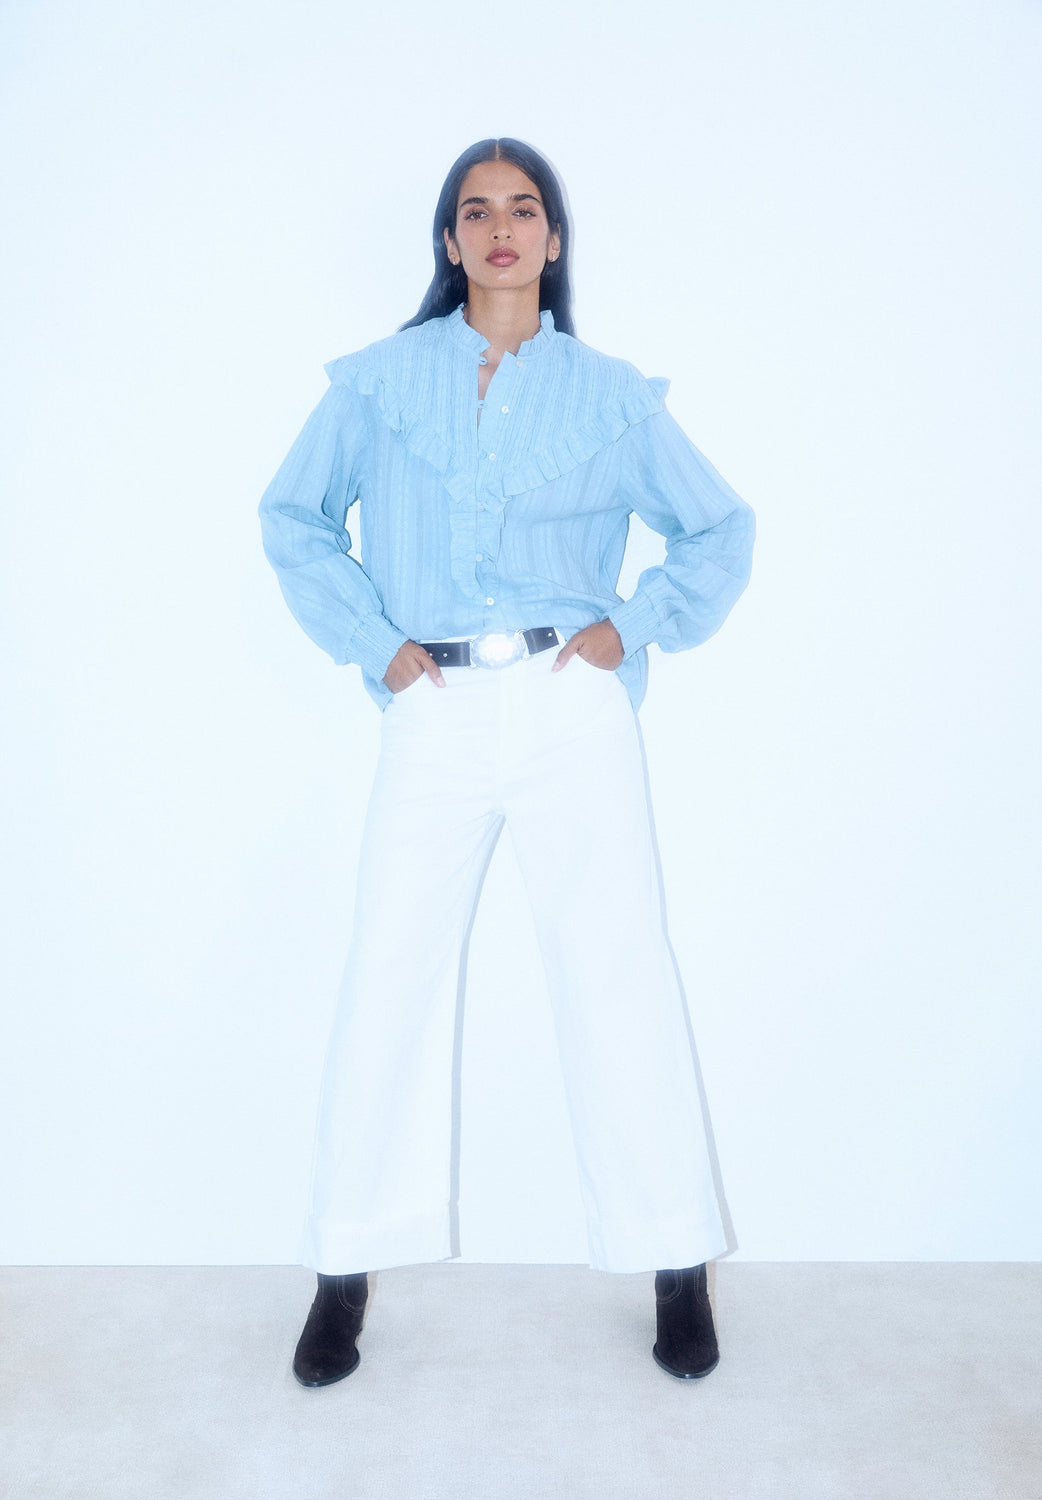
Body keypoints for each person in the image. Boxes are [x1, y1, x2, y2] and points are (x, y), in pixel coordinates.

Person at [258, 137, 755, 1387]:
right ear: (447, 240)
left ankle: (673, 1256)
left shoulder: (609, 396)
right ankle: (342, 1266)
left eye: (522, 209)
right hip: (431, 705)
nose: (499, 228)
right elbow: (292, 517)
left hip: (566, 703)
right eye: (475, 210)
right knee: (389, 970)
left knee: (617, 969)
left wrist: (630, 627)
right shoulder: (377, 386)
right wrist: (374, 645)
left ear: (551, 237)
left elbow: (717, 527)